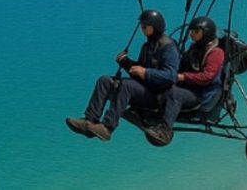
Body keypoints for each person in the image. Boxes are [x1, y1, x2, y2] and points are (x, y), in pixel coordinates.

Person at [65, 8, 180, 141]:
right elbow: (139, 72)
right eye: (141, 26)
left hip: (157, 96)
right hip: (144, 89)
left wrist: (145, 72)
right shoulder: (147, 46)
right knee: (104, 81)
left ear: (155, 26)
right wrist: (126, 63)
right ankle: (90, 121)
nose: (142, 29)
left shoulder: (169, 46)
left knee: (126, 86)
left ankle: (107, 127)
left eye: (144, 26)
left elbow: (171, 76)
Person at [147, 15, 225, 146]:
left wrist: (184, 77)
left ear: (205, 33)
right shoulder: (195, 48)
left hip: (202, 96)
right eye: (191, 31)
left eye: (196, 32)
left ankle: (165, 131)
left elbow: (207, 77)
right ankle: (151, 114)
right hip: (190, 89)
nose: (192, 35)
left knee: (174, 93)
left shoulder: (215, 53)